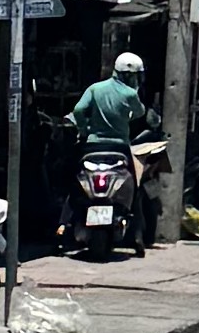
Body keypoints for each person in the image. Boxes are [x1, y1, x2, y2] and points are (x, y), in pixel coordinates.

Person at [64, 44, 153, 237]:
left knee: (74, 182)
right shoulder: (130, 94)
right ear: (129, 76)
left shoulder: (95, 88)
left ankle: (63, 225)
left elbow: (78, 110)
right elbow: (140, 112)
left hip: (91, 146)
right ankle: (138, 234)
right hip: (119, 147)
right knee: (135, 187)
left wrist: (84, 130)